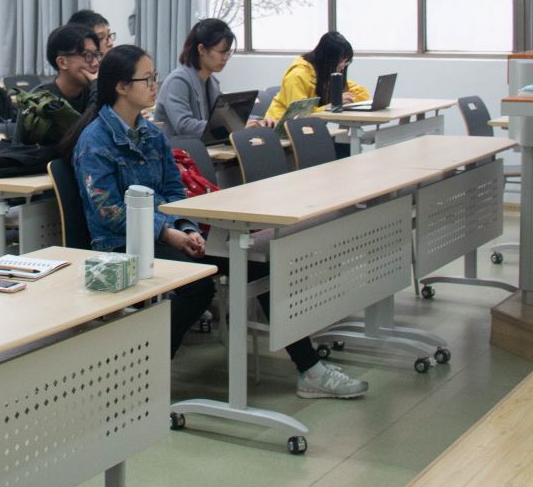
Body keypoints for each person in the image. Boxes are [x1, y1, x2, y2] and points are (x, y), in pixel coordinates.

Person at [67, 45, 365, 399]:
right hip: (123, 244)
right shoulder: (95, 141)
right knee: (197, 286)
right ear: (121, 86)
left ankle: (310, 370)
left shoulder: (151, 134)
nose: (154, 85)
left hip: (168, 232)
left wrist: (187, 228)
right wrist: (169, 233)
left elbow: (174, 189)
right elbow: (110, 212)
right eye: (147, 79)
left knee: (258, 266)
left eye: (154, 77)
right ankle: (144, 378)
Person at [154, 18, 257, 140]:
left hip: (204, 147)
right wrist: (233, 126)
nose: (225, 58)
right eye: (221, 52)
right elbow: (185, 126)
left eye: (228, 53)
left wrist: (257, 121)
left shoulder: (211, 81)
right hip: (179, 149)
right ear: (201, 49)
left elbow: (223, 115)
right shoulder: (177, 81)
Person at [264, 31, 369, 123]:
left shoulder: (325, 73)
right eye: (341, 62)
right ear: (328, 60)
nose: (343, 66)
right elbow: (298, 114)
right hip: (280, 128)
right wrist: (329, 107)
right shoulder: (297, 75)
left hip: (307, 129)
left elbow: (362, 93)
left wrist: (346, 101)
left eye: (346, 62)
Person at [39, 23, 101, 115]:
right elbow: (84, 124)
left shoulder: (92, 90)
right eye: (87, 55)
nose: (96, 63)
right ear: (62, 62)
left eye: (96, 54)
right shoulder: (41, 103)